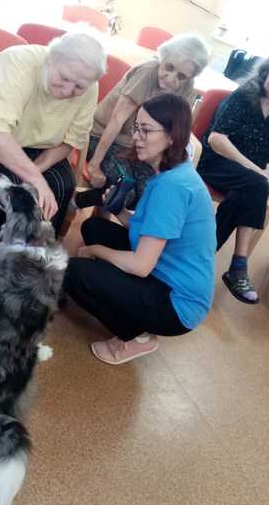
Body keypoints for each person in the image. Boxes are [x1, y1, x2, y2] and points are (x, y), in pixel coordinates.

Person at [0, 32, 107, 299]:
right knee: (9, 188)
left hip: (38, 142)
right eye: (64, 78)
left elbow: (71, 140)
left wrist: (37, 171)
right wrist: (34, 178)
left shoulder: (88, 85)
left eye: (78, 87)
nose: (68, 91)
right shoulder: (18, 63)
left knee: (62, 185)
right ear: (51, 59)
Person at [64, 94, 216, 365]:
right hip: (163, 269)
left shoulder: (172, 187)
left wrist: (94, 251)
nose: (136, 137)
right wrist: (118, 209)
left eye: (146, 130)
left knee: (72, 271)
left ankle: (136, 335)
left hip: (176, 303)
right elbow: (150, 232)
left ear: (172, 136)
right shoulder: (172, 174)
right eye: (136, 128)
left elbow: (140, 265)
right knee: (95, 226)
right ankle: (129, 305)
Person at [197, 47, 269, 304]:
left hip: (248, 179)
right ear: (267, 69)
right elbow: (216, 139)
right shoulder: (244, 95)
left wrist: (267, 172)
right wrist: (256, 171)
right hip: (215, 162)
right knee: (257, 187)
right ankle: (235, 266)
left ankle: (206, 257)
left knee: (245, 192)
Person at [74, 33, 209, 210]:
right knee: (125, 191)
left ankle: (99, 212)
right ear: (163, 56)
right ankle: (76, 202)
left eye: (181, 76)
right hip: (101, 137)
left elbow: (172, 126)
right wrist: (94, 164)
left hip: (137, 147)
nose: (170, 78)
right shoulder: (147, 72)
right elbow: (117, 119)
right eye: (169, 67)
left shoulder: (187, 86)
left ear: (190, 77)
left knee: (151, 191)